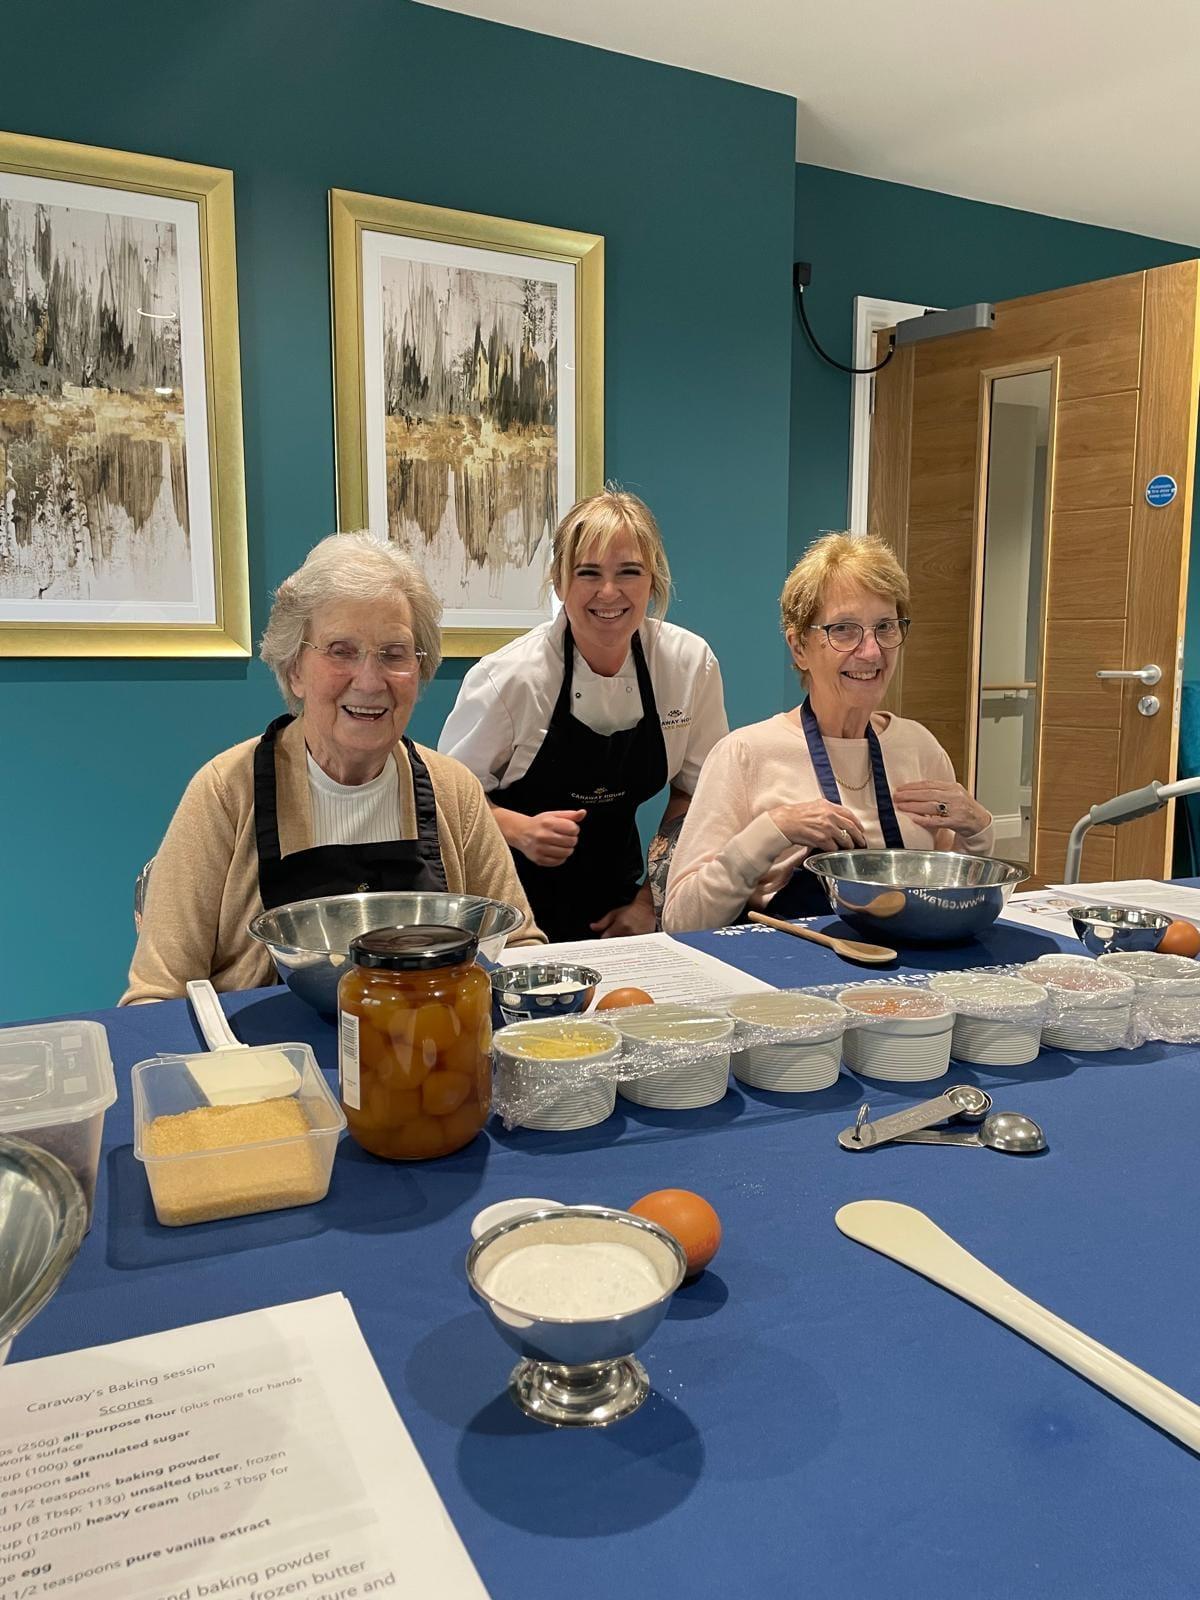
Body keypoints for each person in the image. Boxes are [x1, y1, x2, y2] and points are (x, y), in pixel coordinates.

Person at [122, 533, 542, 1003]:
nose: (369, 679)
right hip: (272, 1067)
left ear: (420, 670)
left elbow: (517, 947)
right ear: (295, 669)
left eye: (394, 653)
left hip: (429, 1058)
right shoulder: (226, 792)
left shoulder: (453, 790)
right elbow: (156, 995)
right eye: (341, 650)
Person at [662, 532, 994, 932]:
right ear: (800, 647)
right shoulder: (745, 754)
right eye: (844, 630)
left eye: (885, 627)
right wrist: (772, 831)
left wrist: (978, 830)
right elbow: (683, 922)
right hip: (786, 983)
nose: (871, 652)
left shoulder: (919, 748)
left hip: (905, 983)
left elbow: (948, 901)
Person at [438, 489, 728, 943]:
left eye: (629, 572)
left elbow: (699, 798)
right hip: (512, 913)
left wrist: (650, 902)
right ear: (558, 582)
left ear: (652, 580)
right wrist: (519, 829)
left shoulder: (687, 666)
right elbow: (448, 803)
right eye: (587, 573)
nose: (608, 593)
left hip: (625, 908)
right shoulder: (509, 679)